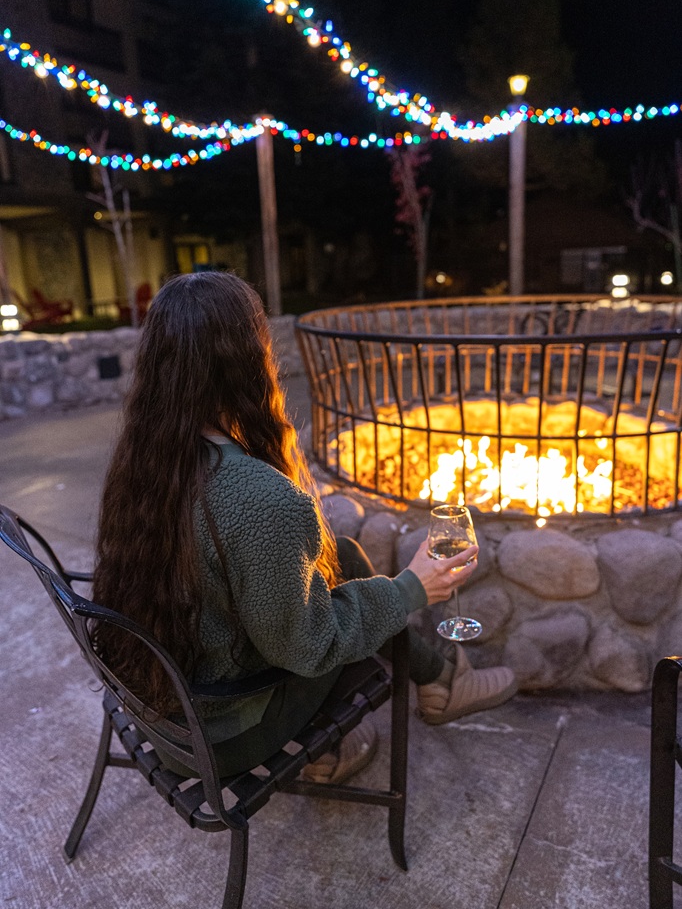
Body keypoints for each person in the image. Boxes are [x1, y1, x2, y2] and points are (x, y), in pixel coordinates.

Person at [93, 271, 516, 783]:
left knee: (347, 556)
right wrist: (411, 589)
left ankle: (438, 681)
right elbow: (308, 647)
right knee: (358, 603)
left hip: (164, 701)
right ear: (249, 360)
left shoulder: (147, 460)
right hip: (222, 732)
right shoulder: (259, 499)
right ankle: (399, 708)